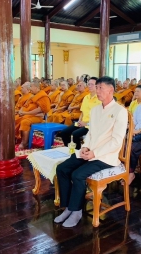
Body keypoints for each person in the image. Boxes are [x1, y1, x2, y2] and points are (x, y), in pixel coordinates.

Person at [54, 76, 128, 228]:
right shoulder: (95, 110)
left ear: (111, 90)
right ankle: (68, 207)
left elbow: (116, 142)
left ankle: (76, 211)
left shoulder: (120, 111)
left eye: (101, 88)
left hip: (106, 157)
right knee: (62, 168)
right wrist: (86, 147)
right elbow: (90, 134)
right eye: (97, 87)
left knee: (77, 174)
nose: (97, 91)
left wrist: (95, 153)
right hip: (90, 151)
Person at [59, 77, 101, 149]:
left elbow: (99, 117)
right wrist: (79, 120)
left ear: (97, 86)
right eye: (89, 84)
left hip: (91, 125)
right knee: (64, 132)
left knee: (75, 134)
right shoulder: (86, 97)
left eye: (92, 84)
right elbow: (82, 111)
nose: (90, 86)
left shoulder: (100, 99)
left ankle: (77, 153)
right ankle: (70, 149)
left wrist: (86, 123)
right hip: (81, 122)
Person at [15, 81, 51, 149]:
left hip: (37, 116)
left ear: (36, 87)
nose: (30, 89)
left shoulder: (43, 96)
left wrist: (25, 113)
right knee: (16, 118)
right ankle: (17, 137)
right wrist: (20, 111)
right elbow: (25, 105)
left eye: (31, 87)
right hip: (28, 115)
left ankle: (24, 143)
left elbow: (40, 110)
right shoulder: (33, 96)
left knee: (25, 122)